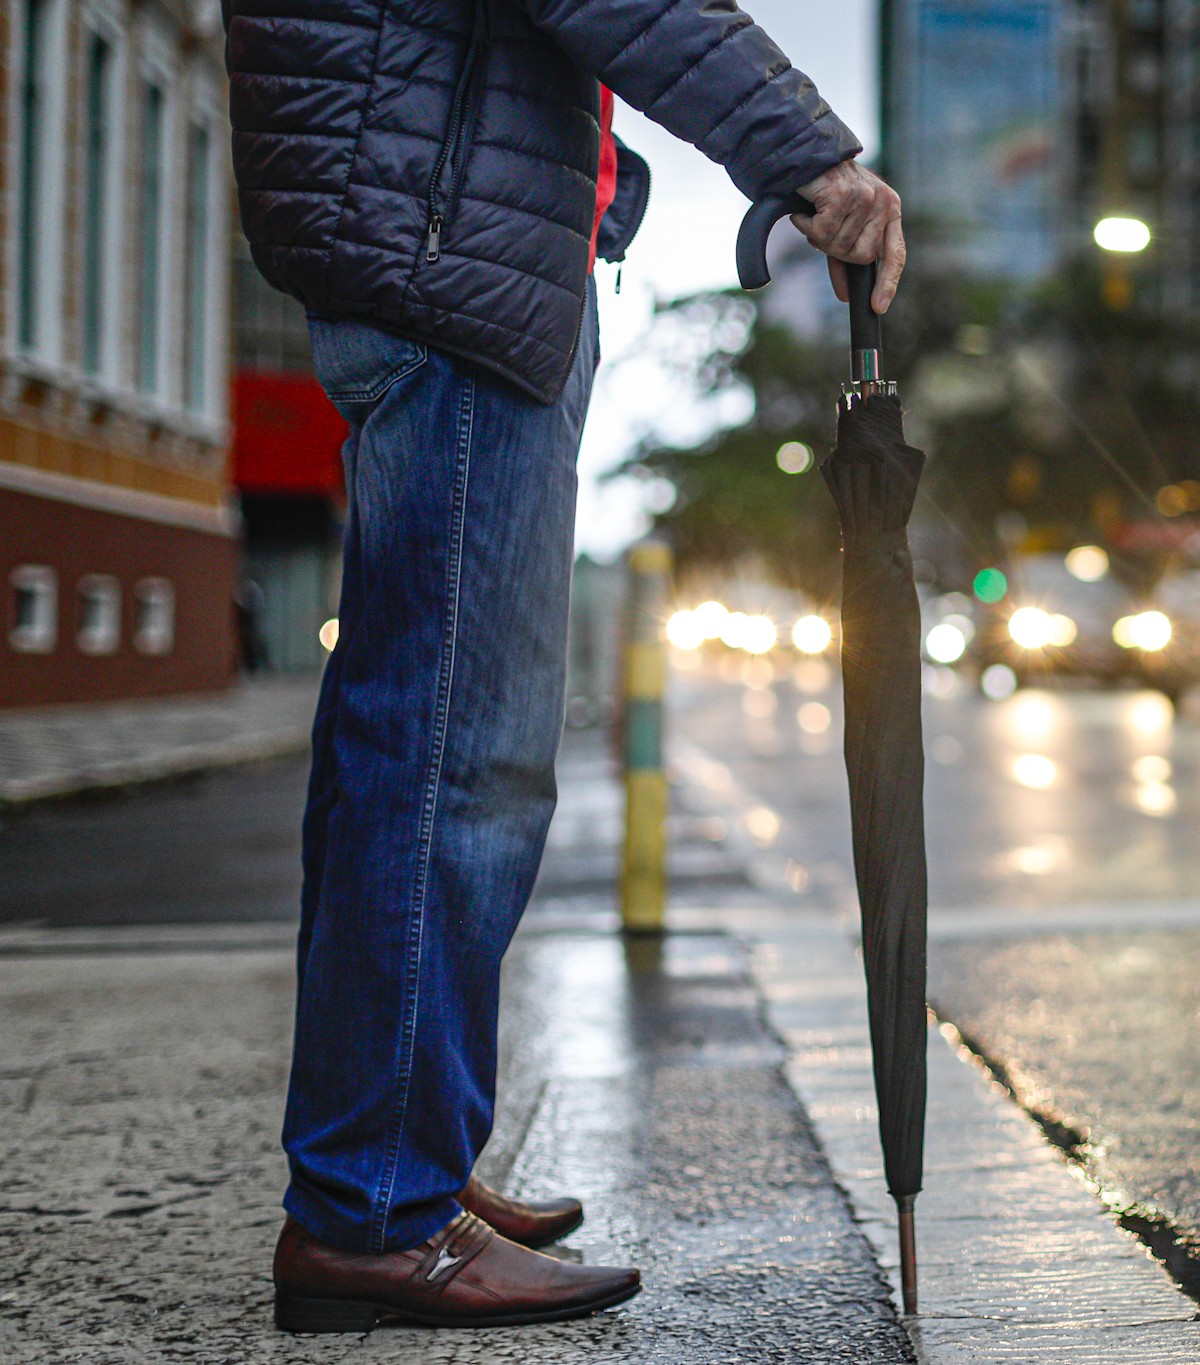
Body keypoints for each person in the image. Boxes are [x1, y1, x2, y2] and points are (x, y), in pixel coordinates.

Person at [226, 0, 905, 1334]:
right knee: (452, 766)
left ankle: (389, 1165)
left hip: (446, 240)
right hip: (450, 254)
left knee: (407, 745)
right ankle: (373, 1210)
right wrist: (808, 154)